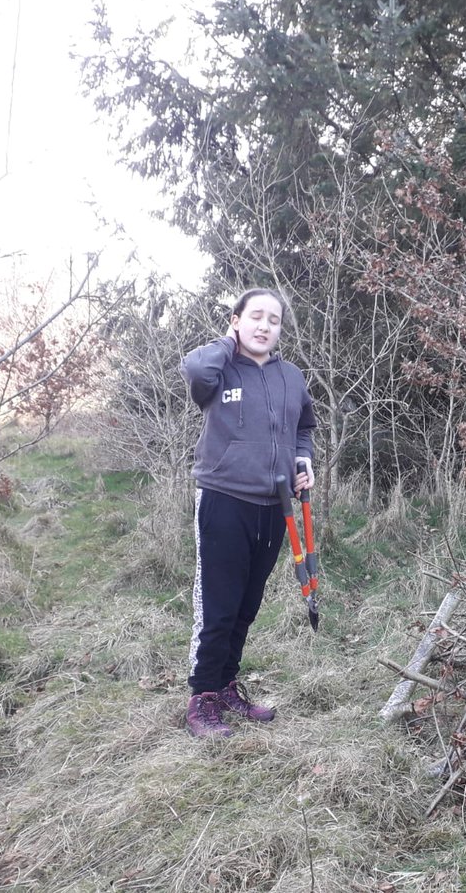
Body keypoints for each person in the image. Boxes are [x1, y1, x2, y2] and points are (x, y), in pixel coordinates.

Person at [179, 287, 316, 737]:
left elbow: (304, 427)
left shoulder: (291, 376)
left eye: (274, 320)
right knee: (218, 605)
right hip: (224, 498)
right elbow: (194, 368)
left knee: (246, 604)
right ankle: (202, 698)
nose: (265, 326)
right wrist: (228, 342)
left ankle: (226, 686)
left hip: (273, 506)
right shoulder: (219, 368)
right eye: (255, 316)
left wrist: (303, 461)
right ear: (236, 320)